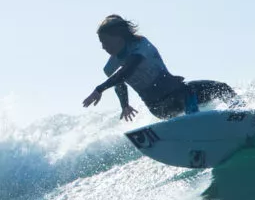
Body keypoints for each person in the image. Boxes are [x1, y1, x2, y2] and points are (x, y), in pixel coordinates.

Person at [82, 15, 240, 121]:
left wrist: (99, 88)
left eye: (105, 41)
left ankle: (242, 116)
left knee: (221, 88)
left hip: (173, 99)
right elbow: (120, 84)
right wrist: (125, 105)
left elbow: (128, 70)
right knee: (202, 90)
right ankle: (195, 123)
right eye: (101, 43)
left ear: (119, 37)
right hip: (161, 106)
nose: (103, 47)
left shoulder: (141, 45)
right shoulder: (110, 67)